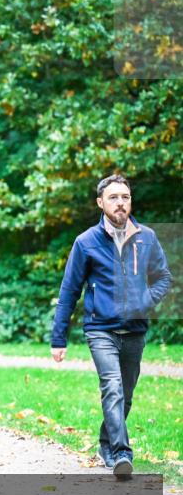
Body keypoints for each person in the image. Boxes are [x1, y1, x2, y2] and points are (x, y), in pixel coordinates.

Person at [50, 174, 172, 479]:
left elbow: (163, 278)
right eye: (114, 197)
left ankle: (106, 442)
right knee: (113, 388)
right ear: (100, 203)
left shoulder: (147, 238)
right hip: (100, 329)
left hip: (135, 331)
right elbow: (69, 292)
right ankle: (121, 453)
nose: (121, 202)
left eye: (125, 197)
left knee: (125, 394)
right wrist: (58, 337)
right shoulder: (86, 242)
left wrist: (145, 300)